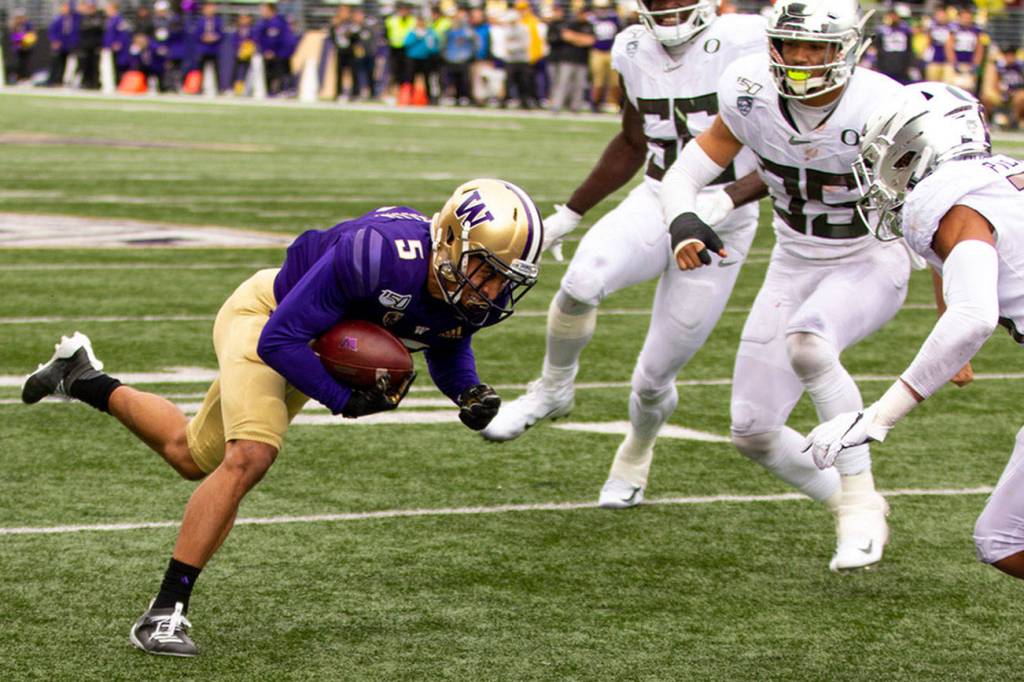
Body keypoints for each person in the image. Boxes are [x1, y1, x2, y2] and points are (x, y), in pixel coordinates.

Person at [20, 179, 544, 657]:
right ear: (451, 240)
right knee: (250, 454)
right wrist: (344, 400)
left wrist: (468, 393)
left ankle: (80, 376)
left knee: (190, 454)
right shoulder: (378, 253)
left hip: (310, 342)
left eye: (504, 280)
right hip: (271, 316)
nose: (491, 291)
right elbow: (278, 339)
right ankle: (164, 612)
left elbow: (447, 345)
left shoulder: (464, 294)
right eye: (485, 271)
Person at [659, 0, 915, 572]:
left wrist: (959, 306)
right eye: (792, 44)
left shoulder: (886, 106)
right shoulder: (750, 91)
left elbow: (937, 207)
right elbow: (687, 170)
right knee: (753, 432)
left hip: (870, 257)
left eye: (816, 47)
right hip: (794, 260)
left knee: (809, 344)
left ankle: (858, 507)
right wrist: (685, 216)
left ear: (846, 48)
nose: (800, 58)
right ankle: (856, 498)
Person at [481, 0, 769, 506]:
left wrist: (724, 201)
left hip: (723, 214)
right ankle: (553, 389)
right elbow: (633, 142)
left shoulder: (749, 38)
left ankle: (635, 454)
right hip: (656, 198)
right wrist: (569, 214)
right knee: (580, 283)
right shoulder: (631, 46)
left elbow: (788, 145)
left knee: (655, 376)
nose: (667, 9)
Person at [804, 82, 1024, 582]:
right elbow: (963, 257)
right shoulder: (999, 177)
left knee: (1005, 538)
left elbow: (973, 317)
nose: (887, 175)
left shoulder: (953, 204)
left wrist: (877, 417)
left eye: (893, 158)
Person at [545, 3, 595, 113]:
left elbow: (590, 41)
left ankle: (575, 107)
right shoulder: (570, 23)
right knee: (562, 83)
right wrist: (581, 39)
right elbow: (566, 36)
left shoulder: (589, 25)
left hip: (582, 59)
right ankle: (556, 106)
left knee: (579, 85)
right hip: (567, 58)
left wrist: (575, 38)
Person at [256, 2, 293, 96]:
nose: (262, 12)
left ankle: (281, 91)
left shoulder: (277, 22)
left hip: (279, 53)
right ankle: (273, 92)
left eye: (264, 9)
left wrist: (271, 51)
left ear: (271, 10)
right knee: (270, 74)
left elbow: (277, 39)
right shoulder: (264, 22)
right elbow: (259, 38)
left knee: (278, 74)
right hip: (272, 53)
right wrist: (265, 50)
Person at [45, 2, 80, 86]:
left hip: (69, 45)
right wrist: (54, 41)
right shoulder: (57, 19)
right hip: (60, 45)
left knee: (68, 63)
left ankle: (63, 79)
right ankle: (54, 80)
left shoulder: (73, 18)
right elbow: (52, 32)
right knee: (57, 62)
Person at [8, 9, 37, 84]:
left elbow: (32, 35)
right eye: (19, 17)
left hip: (27, 48)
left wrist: (26, 40)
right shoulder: (14, 25)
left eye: (22, 17)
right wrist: (21, 40)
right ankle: (18, 78)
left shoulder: (28, 24)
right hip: (19, 48)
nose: (20, 19)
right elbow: (14, 37)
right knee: (19, 63)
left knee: (27, 63)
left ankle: (27, 78)